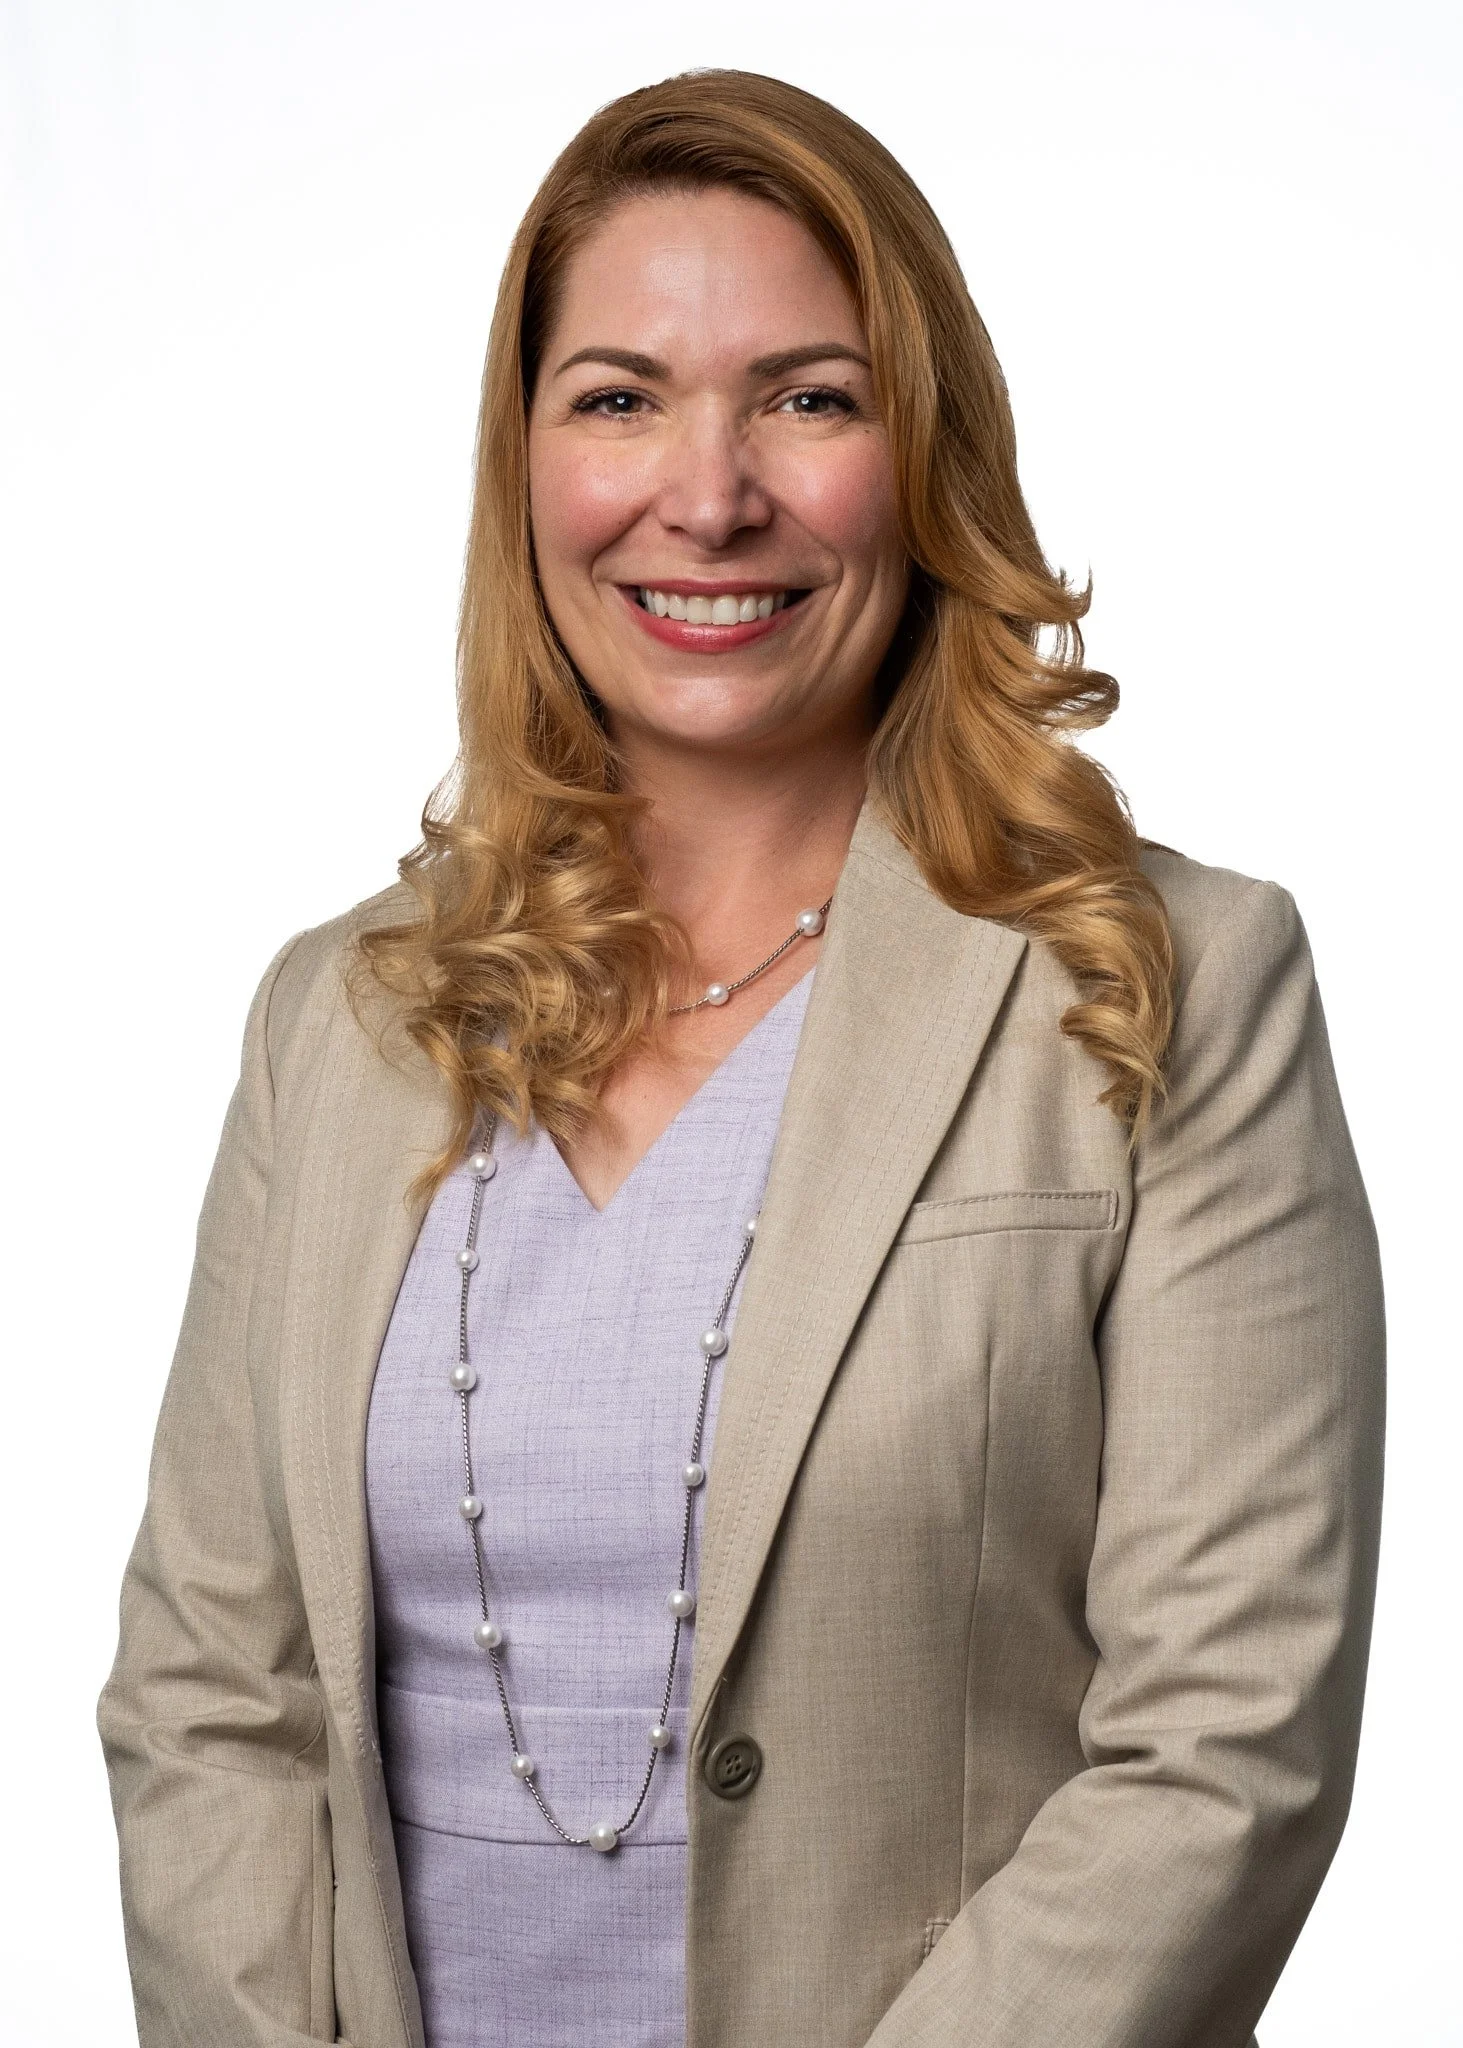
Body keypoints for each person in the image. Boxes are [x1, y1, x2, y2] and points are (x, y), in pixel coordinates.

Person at [98, 68, 1384, 2048]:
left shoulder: (1171, 987)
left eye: (809, 394)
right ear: (521, 461)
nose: (707, 494)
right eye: (617, 397)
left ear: (923, 454)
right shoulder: (336, 1023)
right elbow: (212, 1690)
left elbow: (1220, 1748)